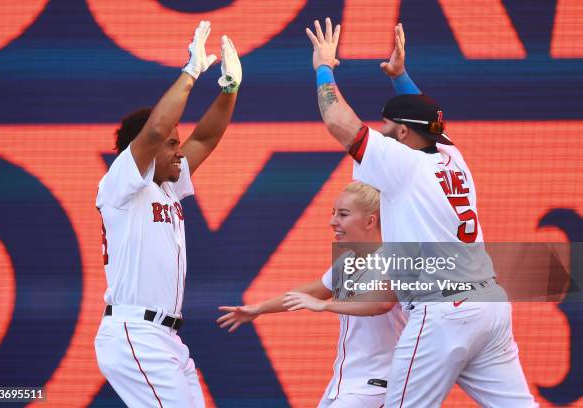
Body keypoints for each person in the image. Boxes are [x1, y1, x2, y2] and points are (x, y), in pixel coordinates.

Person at [306, 18, 538, 407]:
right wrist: (400, 77)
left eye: (386, 126)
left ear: (401, 134)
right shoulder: (451, 154)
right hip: (490, 306)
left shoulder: (401, 164)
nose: (379, 132)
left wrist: (323, 67)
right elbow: (430, 121)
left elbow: (337, 119)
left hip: (443, 311)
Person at [94, 21, 242, 407]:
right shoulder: (122, 183)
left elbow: (206, 138)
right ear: (142, 149)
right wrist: (191, 72)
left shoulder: (167, 184)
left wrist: (229, 89)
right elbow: (157, 128)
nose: (180, 150)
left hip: (166, 338)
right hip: (135, 333)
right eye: (173, 144)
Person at [217, 181, 406, 408]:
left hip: (377, 385)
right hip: (343, 384)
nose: (332, 222)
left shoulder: (395, 257)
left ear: (370, 220)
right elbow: (310, 291)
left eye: (343, 214)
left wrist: (323, 305)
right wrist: (258, 309)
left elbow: (381, 303)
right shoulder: (348, 261)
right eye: (333, 213)